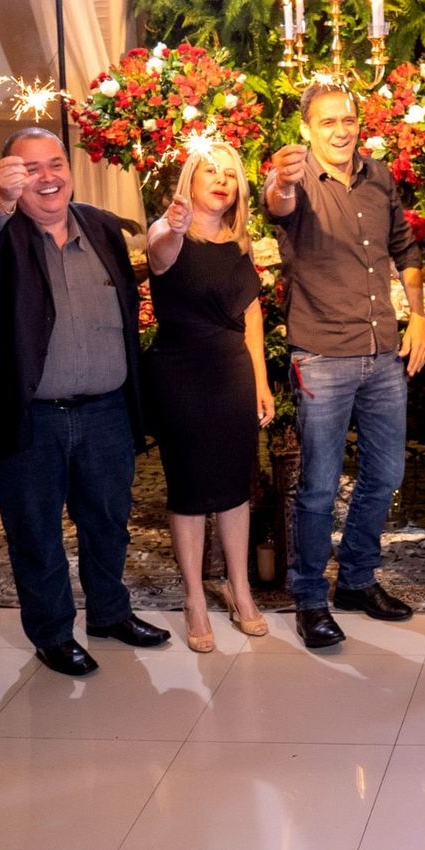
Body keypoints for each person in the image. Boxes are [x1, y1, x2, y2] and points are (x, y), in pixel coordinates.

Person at [0, 129, 170, 675]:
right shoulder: (2, 232)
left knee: (109, 522)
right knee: (36, 533)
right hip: (30, 419)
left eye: (56, 164)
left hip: (106, 412)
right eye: (31, 169)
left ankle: (109, 613)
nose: (48, 178)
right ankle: (52, 634)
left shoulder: (100, 225)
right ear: (10, 177)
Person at [264, 84, 425, 648]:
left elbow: (405, 249)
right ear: (307, 129)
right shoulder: (296, 179)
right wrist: (282, 180)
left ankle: (356, 580)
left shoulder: (378, 176)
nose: (341, 130)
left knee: (385, 475)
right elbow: (277, 203)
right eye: (327, 121)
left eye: (348, 119)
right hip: (321, 356)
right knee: (317, 485)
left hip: (383, 352)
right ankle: (310, 597)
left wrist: (417, 318)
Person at [144, 143, 272, 652]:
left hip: (232, 375)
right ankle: (194, 598)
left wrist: (261, 381)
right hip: (180, 377)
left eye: (230, 174)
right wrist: (172, 225)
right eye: (210, 171)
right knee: (190, 492)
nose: (221, 180)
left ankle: (240, 590)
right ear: (189, 181)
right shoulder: (169, 232)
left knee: (236, 488)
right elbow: (159, 248)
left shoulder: (238, 243)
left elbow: (252, 314)